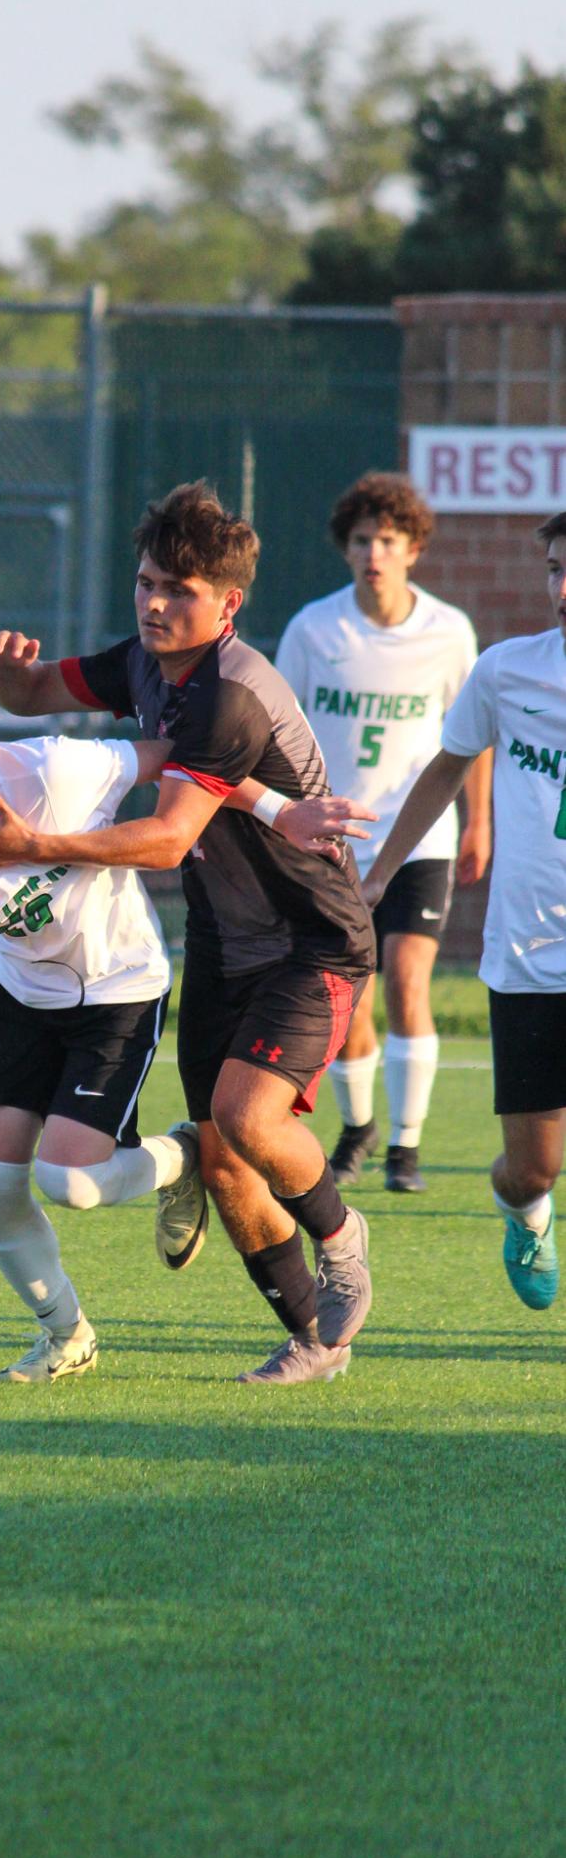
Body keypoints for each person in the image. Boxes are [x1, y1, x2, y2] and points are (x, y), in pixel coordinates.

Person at [0, 480, 376, 1386]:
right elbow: (36, 690)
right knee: (227, 1164)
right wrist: (6, 669)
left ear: (228, 604)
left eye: (179, 591)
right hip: (227, 945)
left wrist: (34, 844)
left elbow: (166, 839)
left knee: (242, 1115)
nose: (155, 603)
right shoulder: (149, 662)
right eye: (148, 582)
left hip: (313, 941)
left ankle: (345, 1238)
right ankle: (317, 1339)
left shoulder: (230, 694)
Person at [0, 659, 209, 1383]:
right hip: (22, 996)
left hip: (119, 988)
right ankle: (66, 1334)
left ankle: (182, 1156)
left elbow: (179, 758)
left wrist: (279, 811)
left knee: (72, 1183)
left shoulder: (56, 770)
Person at [360, 510, 566, 1312]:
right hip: (530, 958)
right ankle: (527, 1212)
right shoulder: (507, 672)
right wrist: (379, 875)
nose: (562, 586)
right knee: (531, 1167)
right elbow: (446, 770)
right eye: (554, 567)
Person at [275, 472, 490, 1193]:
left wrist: (478, 821)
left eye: (388, 540)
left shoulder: (449, 631)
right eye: (362, 540)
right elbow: (281, 729)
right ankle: (360, 1124)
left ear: (414, 549)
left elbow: (472, 736)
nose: (374, 552)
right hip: (337, 842)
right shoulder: (314, 628)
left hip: (422, 838)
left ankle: (406, 1146)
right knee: (350, 995)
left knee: (406, 982)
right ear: (347, 548)